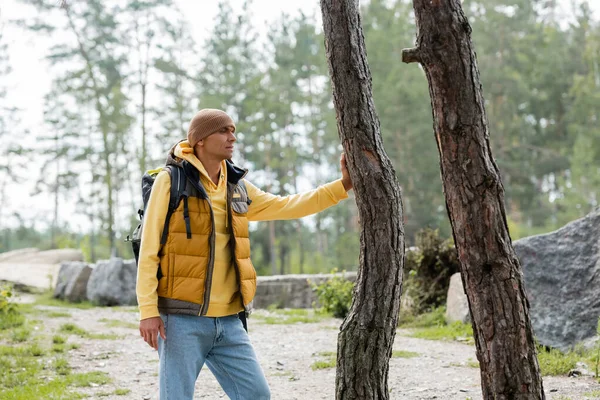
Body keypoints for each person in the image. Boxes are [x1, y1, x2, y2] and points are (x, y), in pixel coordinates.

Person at [136, 108, 353, 400]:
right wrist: (148, 312)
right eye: (224, 131)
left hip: (229, 320)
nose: (232, 137)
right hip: (180, 319)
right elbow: (150, 249)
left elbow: (288, 205)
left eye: (233, 130)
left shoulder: (236, 186)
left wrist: (343, 186)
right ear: (200, 140)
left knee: (257, 395)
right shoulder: (170, 181)